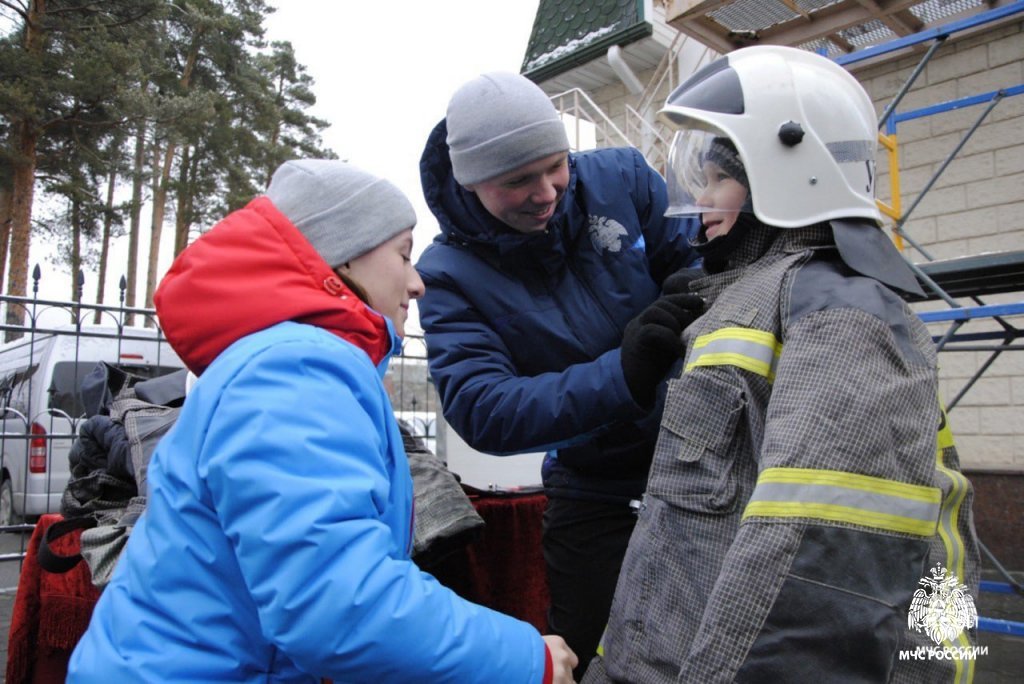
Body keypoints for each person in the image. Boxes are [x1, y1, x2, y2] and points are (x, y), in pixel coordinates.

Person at [67, 159, 577, 683]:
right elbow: (338, 603)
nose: (417, 282)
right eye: (403, 255)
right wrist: (523, 659)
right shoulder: (297, 369)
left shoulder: (283, 361)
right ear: (346, 258)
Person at [583, 45, 980, 683]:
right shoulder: (756, 298)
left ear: (787, 169)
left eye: (717, 177)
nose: (699, 197)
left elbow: (819, 571)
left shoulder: (840, 310)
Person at [416, 71, 703, 678]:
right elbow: (481, 407)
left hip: (700, 456)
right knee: (588, 651)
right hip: (591, 483)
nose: (546, 191)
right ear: (469, 183)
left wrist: (689, 289)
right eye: (517, 180)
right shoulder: (446, 275)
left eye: (556, 165)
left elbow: (703, 257)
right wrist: (620, 376)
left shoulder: (623, 178)